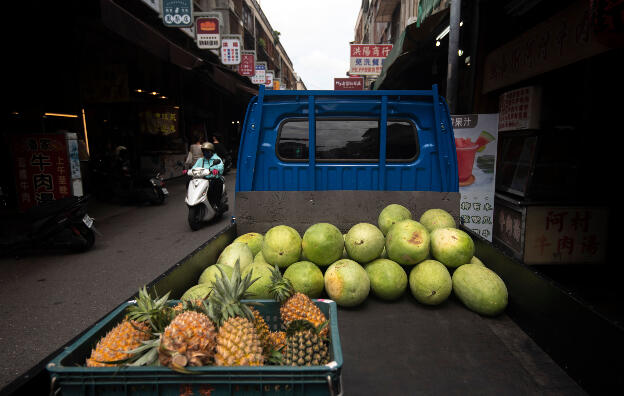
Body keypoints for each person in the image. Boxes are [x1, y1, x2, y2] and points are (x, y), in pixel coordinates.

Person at [191, 142, 224, 209]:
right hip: (203, 179)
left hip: (214, 178)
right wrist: (190, 171)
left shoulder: (216, 159)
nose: (205, 153)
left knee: (216, 183)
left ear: (211, 151)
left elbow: (221, 167)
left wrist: (216, 170)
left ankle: (216, 203)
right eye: (204, 151)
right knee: (190, 183)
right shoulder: (201, 160)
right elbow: (194, 168)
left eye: (207, 151)